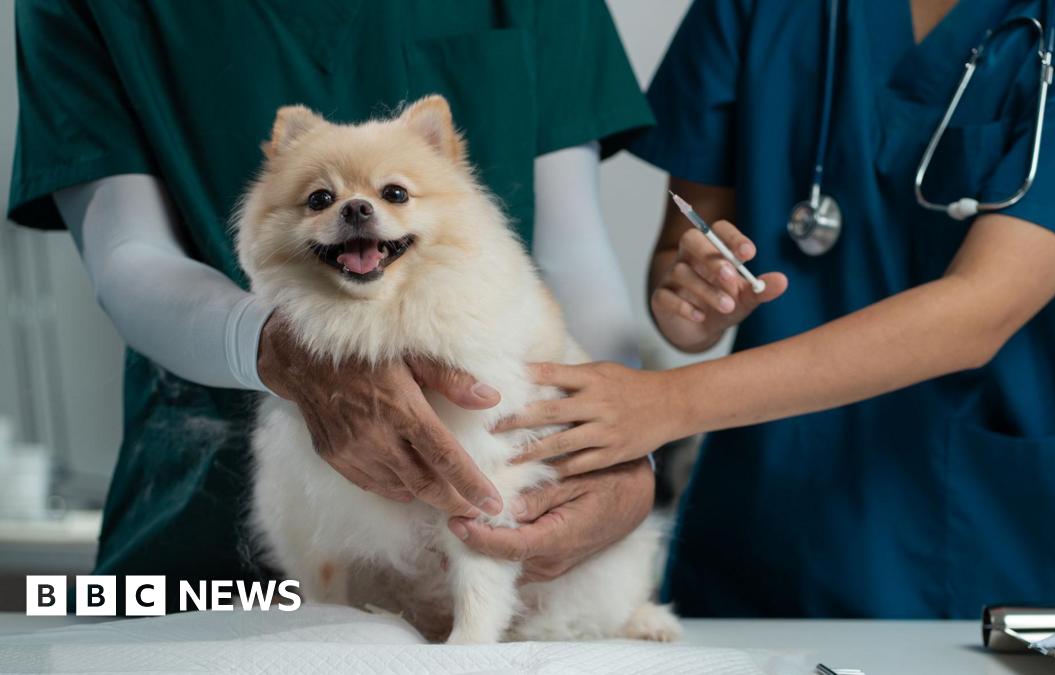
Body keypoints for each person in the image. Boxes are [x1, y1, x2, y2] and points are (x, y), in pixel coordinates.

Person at [457, 0, 1055, 618]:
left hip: (1010, 547)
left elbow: (981, 310)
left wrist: (670, 399)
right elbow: (688, 243)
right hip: (770, 537)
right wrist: (692, 295)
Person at [8, 0, 655, 592]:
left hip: (502, 526)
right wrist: (282, 351)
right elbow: (127, 254)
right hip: (198, 533)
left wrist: (627, 453)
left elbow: (571, 259)